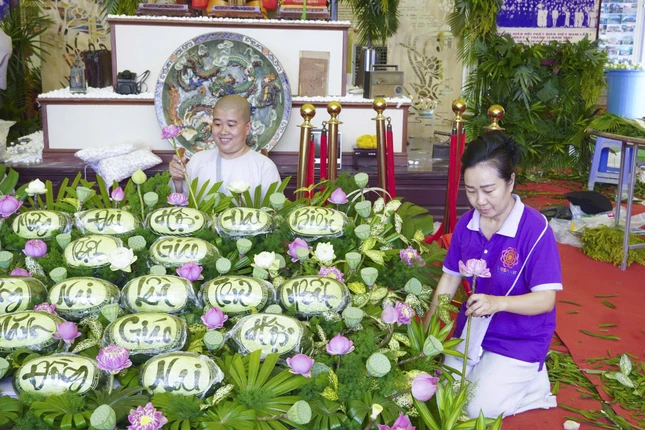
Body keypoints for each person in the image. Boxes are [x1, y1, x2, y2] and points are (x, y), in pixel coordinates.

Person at [423, 131, 561, 419]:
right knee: (442, 395)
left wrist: (497, 303)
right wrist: (425, 335)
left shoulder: (535, 229)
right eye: (471, 190)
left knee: (476, 408)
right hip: (474, 330)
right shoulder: (466, 225)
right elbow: (449, 280)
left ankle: (534, 383)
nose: (479, 201)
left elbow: (546, 299)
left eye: (488, 190)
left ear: (510, 181)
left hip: (520, 338)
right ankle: (496, 378)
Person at [169, 95, 281, 202]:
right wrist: (178, 181)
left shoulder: (264, 167)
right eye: (217, 124)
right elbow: (180, 208)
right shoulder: (197, 161)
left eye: (231, 125)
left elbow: (274, 211)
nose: (223, 132)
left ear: (247, 128)